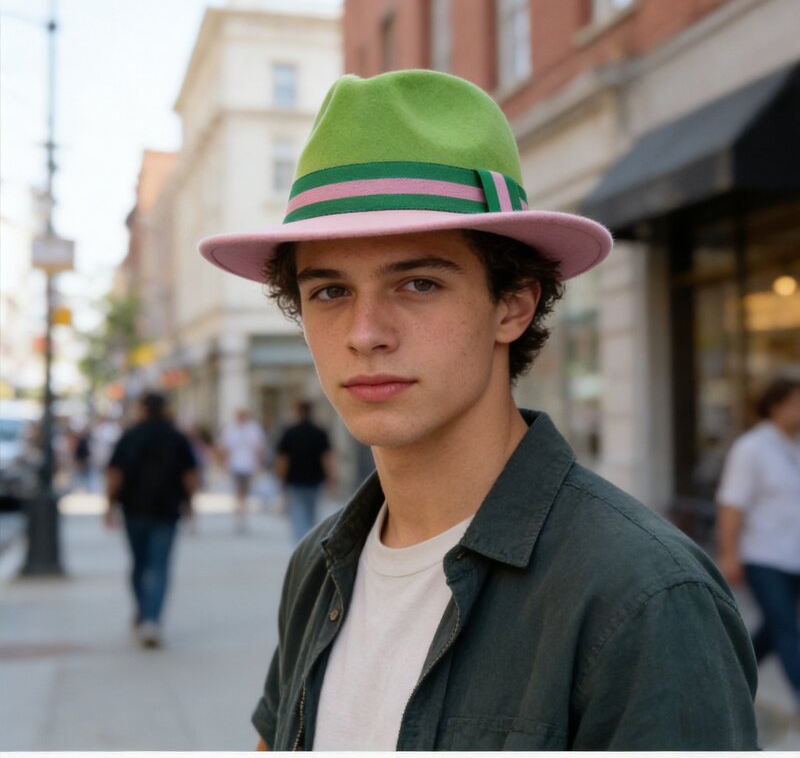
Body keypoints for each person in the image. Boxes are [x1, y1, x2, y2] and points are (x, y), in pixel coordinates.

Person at [199, 70, 758, 749]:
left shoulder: (641, 595)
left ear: (512, 305)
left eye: (419, 282)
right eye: (329, 292)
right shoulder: (317, 565)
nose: (365, 332)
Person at [717, 376, 800, 710]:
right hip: (763, 556)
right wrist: (729, 554)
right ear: (777, 406)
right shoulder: (751, 448)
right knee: (786, 629)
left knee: (772, 630)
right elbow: (731, 505)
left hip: (794, 555)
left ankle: (728, 676)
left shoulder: (794, 448)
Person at [105, 391, 197, 648]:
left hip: (134, 510)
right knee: (159, 566)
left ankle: (145, 611)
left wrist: (108, 506)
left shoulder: (130, 436)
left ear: (143, 408)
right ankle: (151, 619)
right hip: (167, 510)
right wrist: (190, 504)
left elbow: (115, 474)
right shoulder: (176, 437)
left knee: (139, 563)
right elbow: (189, 475)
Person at [275, 401, 335, 542]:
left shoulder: (290, 432)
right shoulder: (319, 432)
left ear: (297, 412)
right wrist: (330, 478)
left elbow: (282, 459)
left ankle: (301, 543)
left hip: (294, 479)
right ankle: (310, 540)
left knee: (297, 512)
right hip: (314, 478)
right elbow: (327, 458)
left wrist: (281, 478)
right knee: (311, 511)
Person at [219, 409, 270, 533]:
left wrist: (260, 464)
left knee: (245, 492)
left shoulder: (253, 429)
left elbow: (259, 448)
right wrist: (223, 464)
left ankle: (241, 514)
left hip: (248, 466)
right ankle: (238, 516)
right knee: (237, 492)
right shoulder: (231, 429)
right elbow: (224, 448)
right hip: (235, 466)